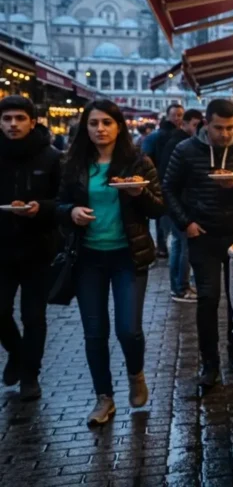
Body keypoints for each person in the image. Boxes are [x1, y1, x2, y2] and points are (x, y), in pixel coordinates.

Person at [57, 99, 164, 426]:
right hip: (88, 258)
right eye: (93, 123)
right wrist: (71, 212)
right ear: (85, 128)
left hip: (128, 257)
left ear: (119, 126)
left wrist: (139, 193)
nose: (100, 129)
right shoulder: (73, 163)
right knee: (94, 332)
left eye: (106, 122)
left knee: (128, 330)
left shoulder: (138, 162)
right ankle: (103, 398)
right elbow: (59, 204)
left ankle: (136, 375)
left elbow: (158, 208)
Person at [163, 99, 233, 389]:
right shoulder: (186, 150)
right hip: (203, 234)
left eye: (230, 127)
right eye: (219, 128)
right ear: (206, 124)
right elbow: (168, 188)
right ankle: (209, 364)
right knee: (207, 299)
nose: (225, 134)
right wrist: (185, 223)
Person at [0, 96, 62, 401]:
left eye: (20, 118)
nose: (13, 124)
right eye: (7, 118)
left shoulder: (51, 157)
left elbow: (63, 200)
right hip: (2, 248)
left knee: (33, 316)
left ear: (32, 122)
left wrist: (42, 207)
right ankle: (17, 352)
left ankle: (30, 375)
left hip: (39, 248)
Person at [158, 109, 203, 303]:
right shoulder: (181, 144)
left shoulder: (175, 140)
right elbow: (171, 179)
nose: (198, 129)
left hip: (174, 202)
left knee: (178, 243)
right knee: (183, 244)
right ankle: (181, 287)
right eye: (195, 125)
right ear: (184, 124)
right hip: (179, 203)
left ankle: (178, 286)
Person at [143, 104, 185, 258]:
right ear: (168, 116)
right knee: (162, 215)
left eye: (180, 115)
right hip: (160, 182)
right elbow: (145, 159)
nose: (177, 118)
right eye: (174, 115)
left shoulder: (183, 136)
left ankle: (163, 246)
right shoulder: (155, 136)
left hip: (173, 183)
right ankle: (162, 246)